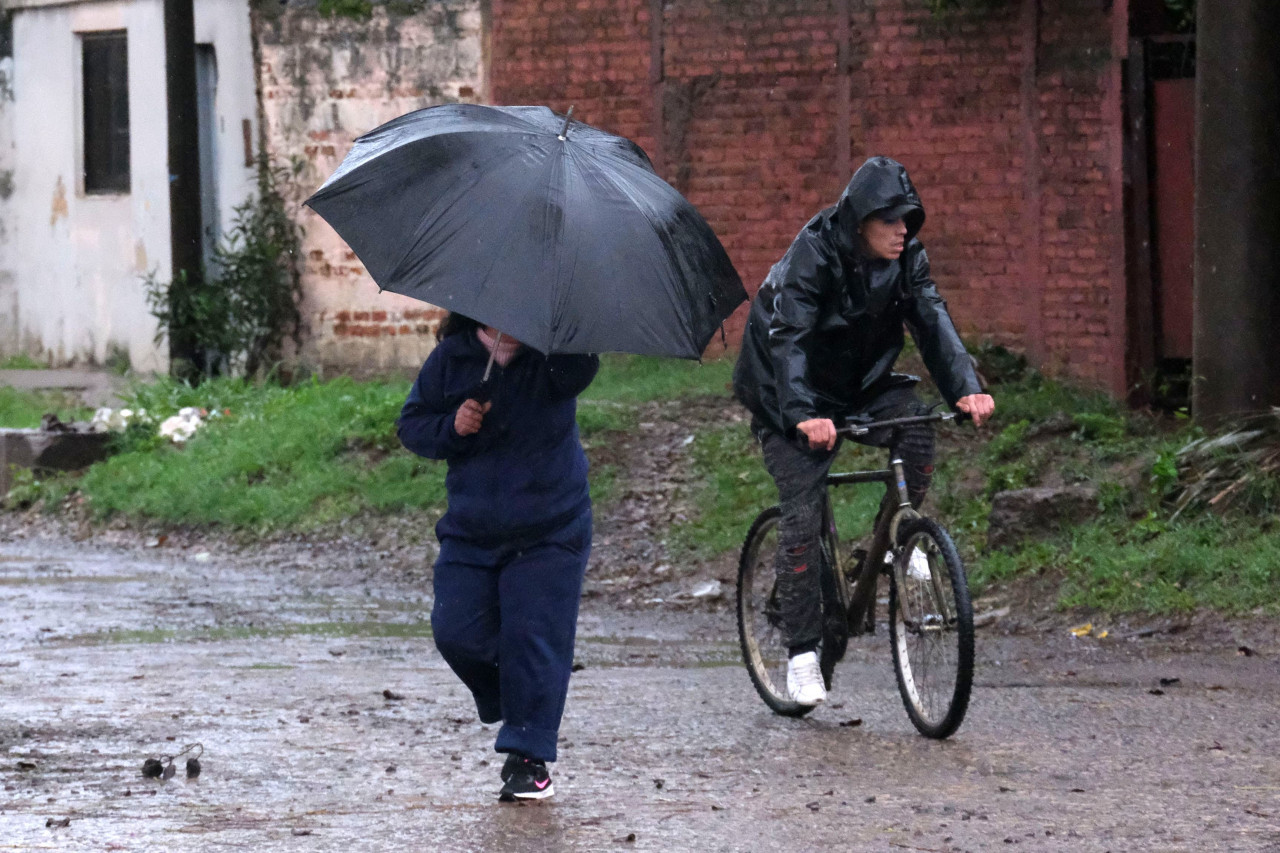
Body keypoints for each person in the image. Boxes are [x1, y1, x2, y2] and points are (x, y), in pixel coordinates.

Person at [732, 156, 995, 707]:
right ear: (859, 223)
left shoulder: (906, 258)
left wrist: (965, 387)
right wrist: (802, 412)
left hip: (860, 384)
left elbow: (931, 317)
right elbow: (790, 338)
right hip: (787, 393)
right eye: (891, 221)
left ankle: (901, 536)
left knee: (919, 425)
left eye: (910, 220)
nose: (903, 231)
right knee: (802, 512)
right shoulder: (812, 256)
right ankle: (802, 651)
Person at [397, 313, 599, 802]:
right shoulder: (453, 357)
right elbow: (412, 425)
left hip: (551, 526)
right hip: (472, 529)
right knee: (456, 631)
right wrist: (453, 426)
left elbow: (580, 373)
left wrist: (562, 337)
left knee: (532, 637)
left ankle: (528, 760)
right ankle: (522, 694)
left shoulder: (558, 359)